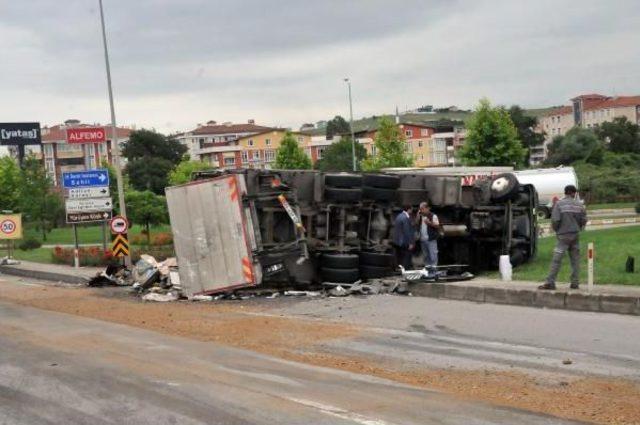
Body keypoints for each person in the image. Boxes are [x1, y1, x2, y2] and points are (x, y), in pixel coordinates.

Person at [539, 185, 587, 290]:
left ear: (565, 192)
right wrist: (578, 227)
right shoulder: (579, 205)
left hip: (563, 235)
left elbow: (555, 220)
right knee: (575, 259)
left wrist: (557, 230)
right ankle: (575, 283)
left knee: (557, 259)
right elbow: (583, 220)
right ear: (574, 193)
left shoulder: (559, 204)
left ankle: (550, 282)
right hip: (575, 235)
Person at [417, 201, 439, 274]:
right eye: (420, 209)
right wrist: (417, 216)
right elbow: (416, 224)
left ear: (427, 208)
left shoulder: (433, 216)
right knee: (426, 257)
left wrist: (429, 223)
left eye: (422, 209)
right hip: (423, 240)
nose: (421, 210)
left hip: (431, 239)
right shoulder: (421, 216)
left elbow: (437, 226)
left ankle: (434, 273)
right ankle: (428, 272)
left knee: (433, 256)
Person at [393, 205, 415, 270]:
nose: (412, 211)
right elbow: (407, 231)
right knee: (407, 255)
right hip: (403, 241)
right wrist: (410, 243)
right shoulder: (405, 218)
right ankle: (406, 269)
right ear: (409, 209)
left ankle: (399, 268)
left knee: (399, 256)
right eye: (411, 209)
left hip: (397, 240)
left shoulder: (399, 216)